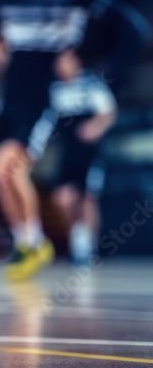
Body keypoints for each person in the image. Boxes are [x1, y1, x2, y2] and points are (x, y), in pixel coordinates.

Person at [0, 0, 149, 280]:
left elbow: (133, 29)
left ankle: (43, 245)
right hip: (11, 96)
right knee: (2, 175)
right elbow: (0, 41)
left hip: (44, 96)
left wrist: (97, 69)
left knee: (7, 170)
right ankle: (28, 243)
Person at [39, 51, 117, 265]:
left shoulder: (91, 83)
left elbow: (108, 113)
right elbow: (46, 122)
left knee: (88, 199)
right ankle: (77, 238)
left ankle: (88, 249)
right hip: (67, 154)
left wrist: (95, 127)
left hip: (89, 154)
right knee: (62, 198)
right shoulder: (54, 89)